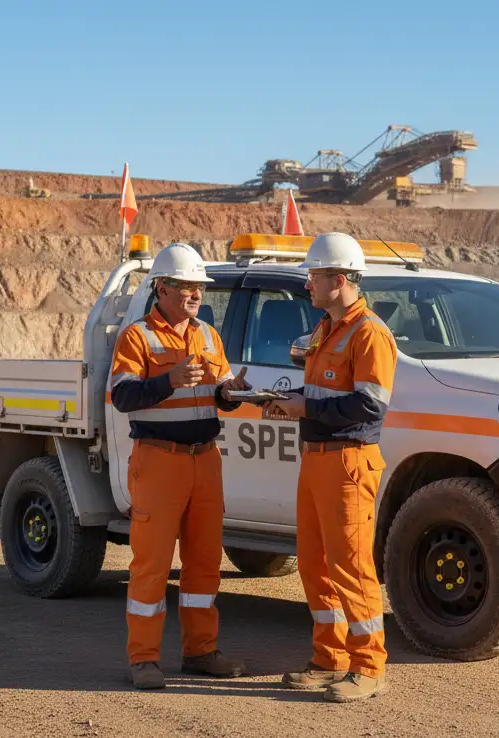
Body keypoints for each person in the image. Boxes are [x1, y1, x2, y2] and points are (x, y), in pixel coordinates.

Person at [109, 242, 252, 690]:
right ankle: (144, 659)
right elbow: (122, 396)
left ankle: (200, 652)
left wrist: (233, 393)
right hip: (158, 462)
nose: (196, 295)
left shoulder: (208, 335)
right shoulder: (137, 337)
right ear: (162, 288)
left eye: (199, 288)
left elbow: (220, 393)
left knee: (204, 563)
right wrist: (167, 380)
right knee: (151, 565)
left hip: (205, 462)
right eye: (187, 287)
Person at [264, 232, 398, 703]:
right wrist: (292, 403)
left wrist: (308, 410)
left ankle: (368, 666)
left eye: (314, 277)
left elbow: (369, 408)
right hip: (317, 460)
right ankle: (330, 658)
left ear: (339, 280)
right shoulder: (327, 328)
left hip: (348, 463)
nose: (308, 286)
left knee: (352, 567)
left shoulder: (369, 333)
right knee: (316, 565)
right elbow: (326, 395)